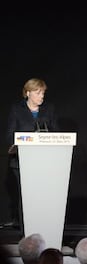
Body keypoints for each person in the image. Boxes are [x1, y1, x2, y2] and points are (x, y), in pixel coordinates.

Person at [5, 78, 59, 229]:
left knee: (44, 197)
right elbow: (10, 135)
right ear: (28, 93)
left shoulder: (50, 109)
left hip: (46, 161)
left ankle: (46, 229)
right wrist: (25, 139)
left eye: (43, 93)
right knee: (27, 198)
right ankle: (26, 232)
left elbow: (56, 132)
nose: (42, 96)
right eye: (38, 92)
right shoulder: (16, 109)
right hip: (21, 162)